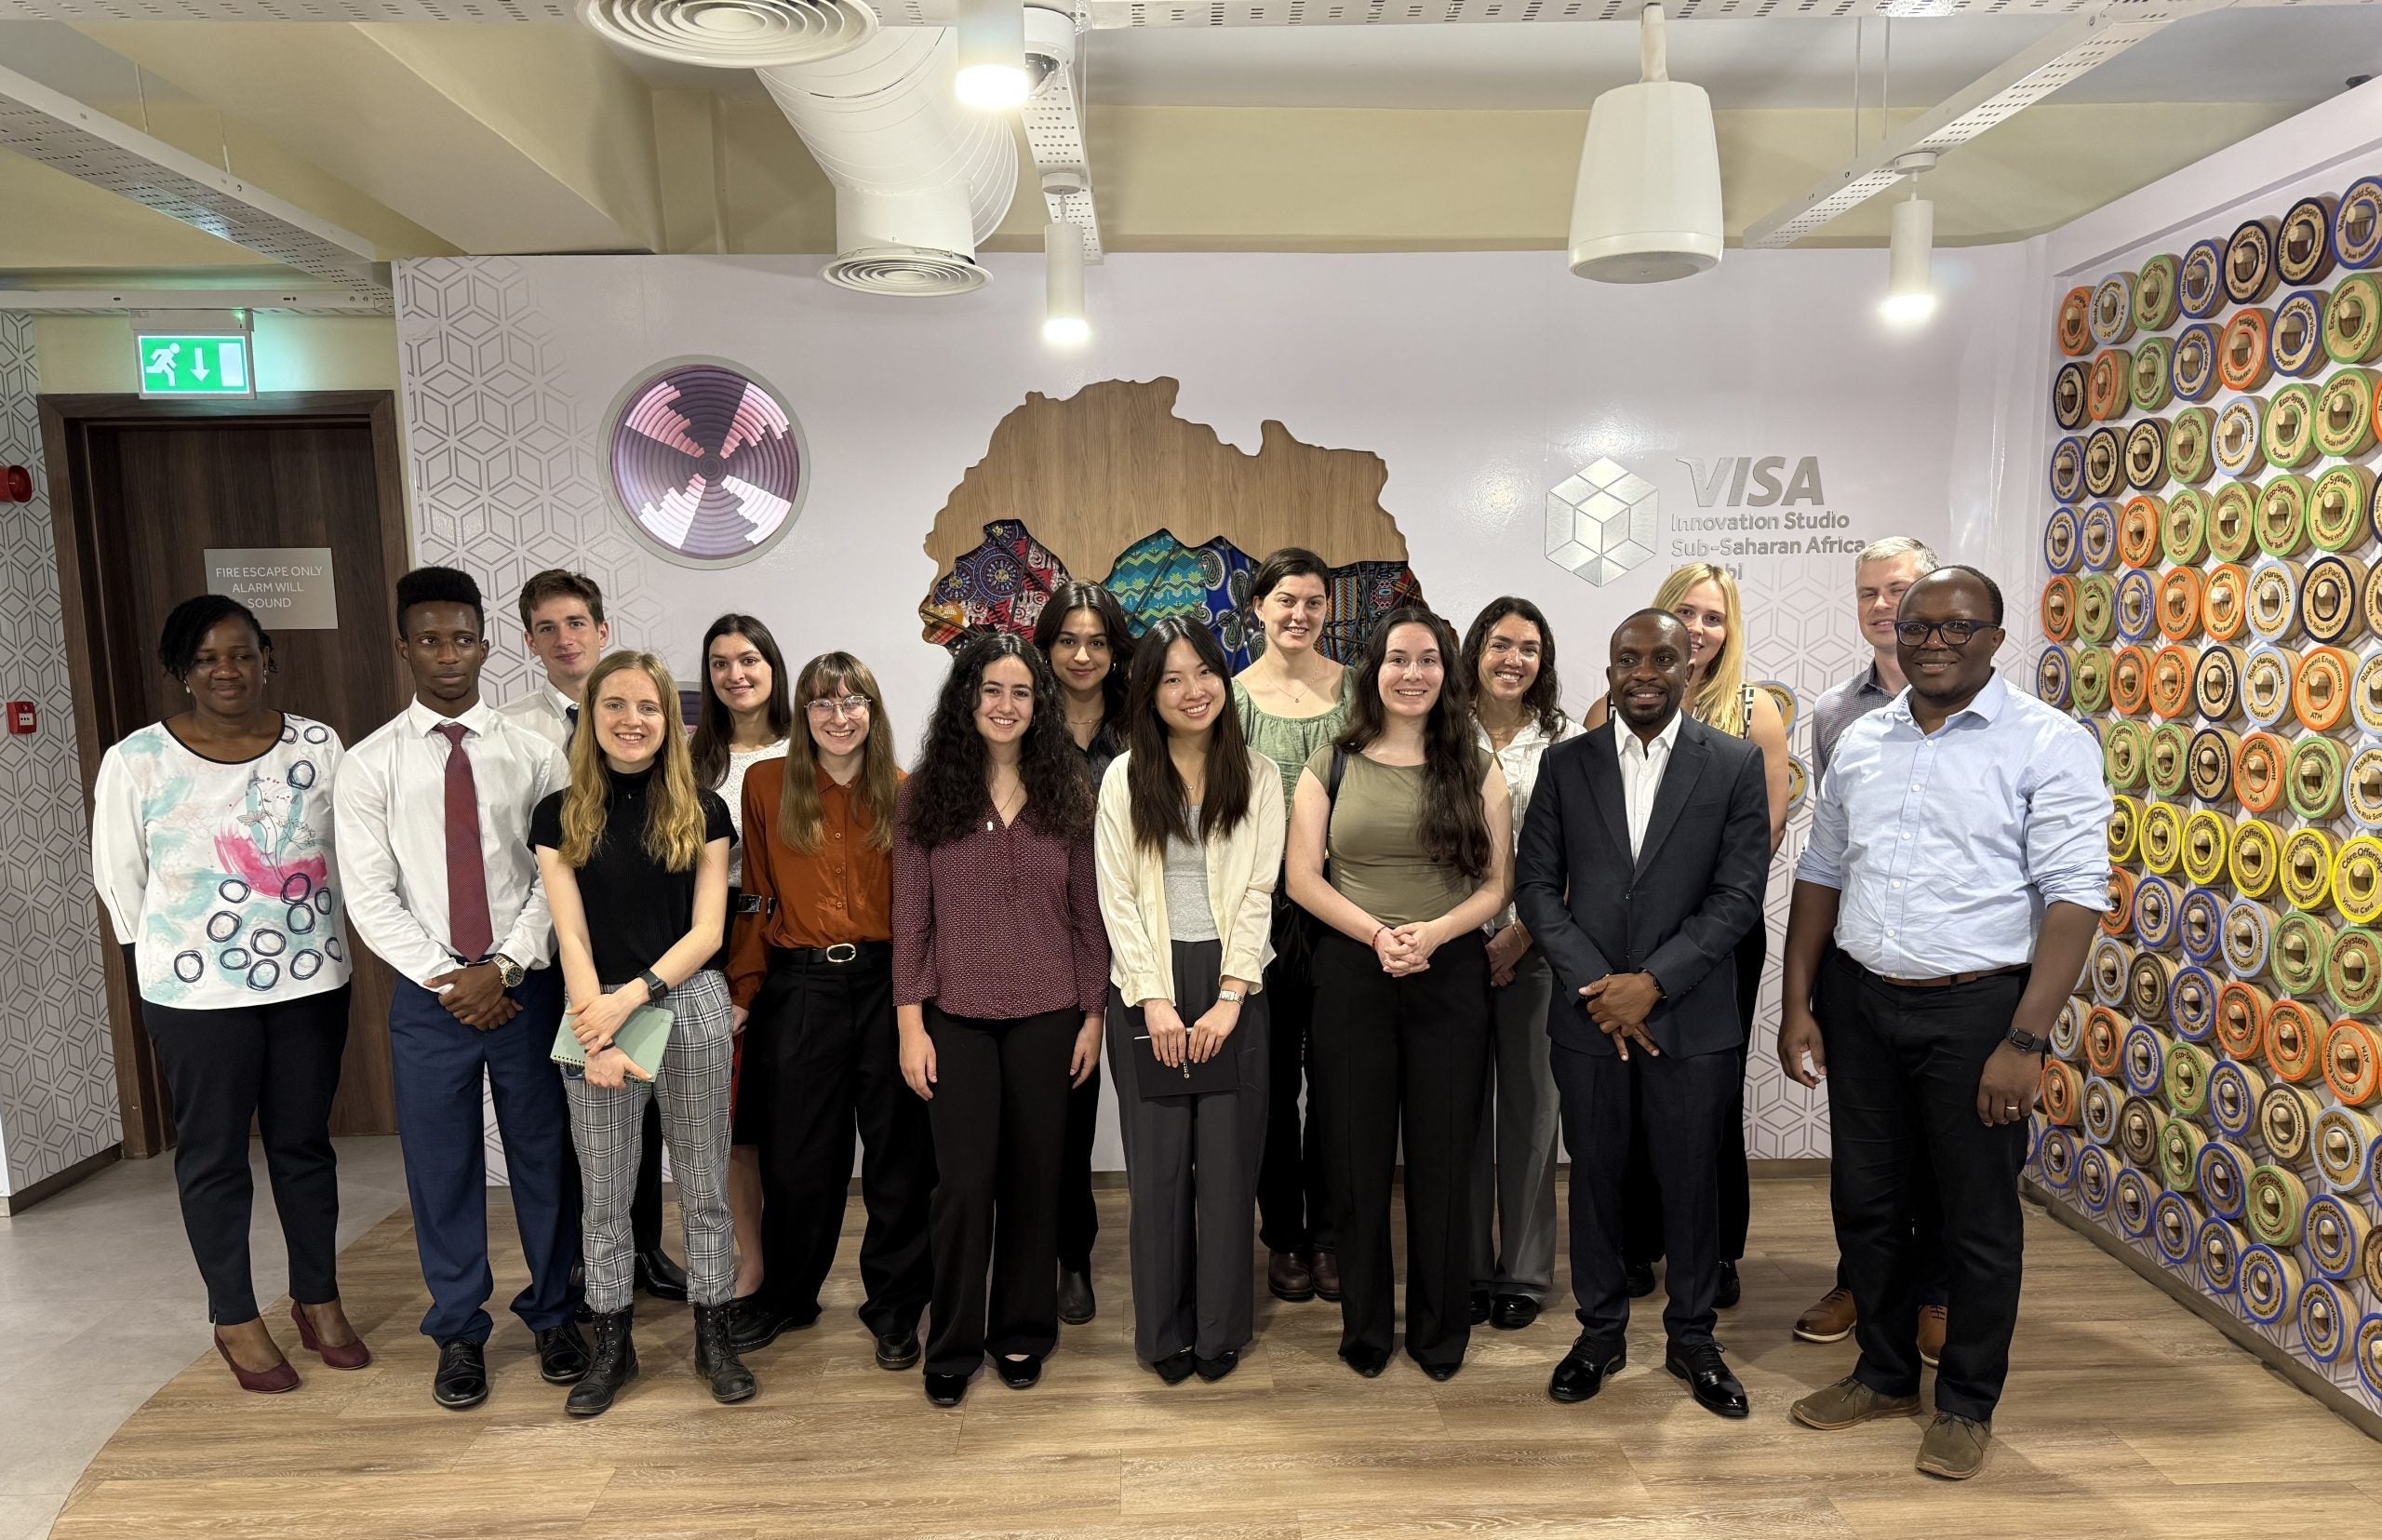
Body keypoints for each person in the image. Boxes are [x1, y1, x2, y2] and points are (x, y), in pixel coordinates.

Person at [1779, 566, 2109, 1481]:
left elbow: (2076, 897)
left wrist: (2024, 1040)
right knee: (1867, 1202)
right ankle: (1883, 1374)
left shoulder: (2047, 742)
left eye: (1956, 626)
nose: (1932, 641)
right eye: (1917, 625)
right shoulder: (1863, 739)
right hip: (1860, 1000)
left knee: (1975, 1217)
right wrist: (1798, 1002)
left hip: (1979, 1011)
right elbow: (1821, 873)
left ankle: (1965, 1401)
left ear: (1994, 638)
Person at [90, 596, 365, 1393]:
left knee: (304, 1144)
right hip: (195, 994)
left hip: (311, 978)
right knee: (213, 1153)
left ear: (267, 657)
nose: (227, 670)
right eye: (208, 657)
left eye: (242, 653)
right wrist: (165, 962)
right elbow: (119, 876)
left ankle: (317, 1295)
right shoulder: (137, 759)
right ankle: (235, 1314)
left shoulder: (317, 744)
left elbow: (351, 849)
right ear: (181, 669)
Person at [336, 566, 588, 1410]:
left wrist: (504, 967)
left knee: (544, 1157)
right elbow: (371, 895)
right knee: (441, 1167)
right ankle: (457, 1329)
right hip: (431, 996)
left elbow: (555, 877)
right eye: (430, 640)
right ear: (403, 647)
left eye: (463, 639)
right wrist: (454, 979)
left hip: (525, 988)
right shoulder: (369, 764)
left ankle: (555, 1313)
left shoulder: (534, 753)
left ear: (485, 646)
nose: (449, 655)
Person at [1518, 610, 1770, 1419]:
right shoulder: (1566, 763)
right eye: (1630, 659)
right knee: (1595, 1179)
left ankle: (1693, 1336)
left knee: (1692, 1181)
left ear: (1690, 668)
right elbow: (1536, 888)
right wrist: (1604, 988)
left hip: (1691, 1018)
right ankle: (1600, 1332)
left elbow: (1739, 895)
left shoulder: (1733, 763)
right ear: (1610, 671)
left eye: (1664, 657)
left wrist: (1653, 984)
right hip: (1589, 1018)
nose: (1646, 673)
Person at [1286, 607, 1510, 1381]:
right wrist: (1378, 936)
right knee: (1356, 1159)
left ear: (1447, 673)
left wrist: (1433, 934)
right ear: (1372, 670)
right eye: (1396, 659)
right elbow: (1302, 878)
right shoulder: (1331, 763)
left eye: (1427, 660)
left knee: (1444, 1161)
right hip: (1353, 973)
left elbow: (1498, 885)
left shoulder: (1476, 765)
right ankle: (1367, 1329)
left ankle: (1441, 1332)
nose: (1412, 674)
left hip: (1449, 974)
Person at [895, 633, 1109, 1407]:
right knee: (961, 1184)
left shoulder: (1068, 792)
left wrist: (1093, 1014)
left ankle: (1023, 1327)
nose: (1006, 704)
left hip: (1050, 1013)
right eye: (991, 689)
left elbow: (1088, 917)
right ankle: (951, 1341)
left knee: (1034, 1178)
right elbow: (911, 918)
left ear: (1039, 704)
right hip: (955, 1014)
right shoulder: (925, 794)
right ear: (967, 696)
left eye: (1021, 691)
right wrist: (910, 1024)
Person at [533, 650, 750, 1416]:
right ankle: (612, 1345)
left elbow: (708, 931)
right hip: (592, 1011)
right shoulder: (558, 814)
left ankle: (713, 1335)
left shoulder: (705, 809)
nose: (632, 720)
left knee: (704, 1186)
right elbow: (570, 934)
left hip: (686, 1003)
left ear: (670, 719)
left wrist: (631, 998)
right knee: (604, 1195)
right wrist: (597, 1033)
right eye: (615, 705)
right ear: (591, 716)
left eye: (649, 707)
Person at [1583, 563, 1788, 1309]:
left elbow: (1765, 834)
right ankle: (1636, 1240)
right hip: (1624, 938)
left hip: (1717, 938)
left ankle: (1715, 1247)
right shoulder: (1605, 710)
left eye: (1713, 616)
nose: (1699, 629)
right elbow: (1595, 838)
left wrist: (1688, 935)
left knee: (1709, 1092)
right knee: (1630, 1080)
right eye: (1687, 612)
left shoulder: (1755, 713)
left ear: (1729, 629)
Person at [728, 652, 936, 1370]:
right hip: (800, 986)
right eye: (823, 702)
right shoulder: (765, 785)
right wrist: (744, 990)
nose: (838, 716)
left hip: (886, 983)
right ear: (803, 712)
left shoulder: (906, 793)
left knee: (899, 1157)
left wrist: (919, 1004)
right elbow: (755, 894)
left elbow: (920, 910)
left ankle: (897, 1305)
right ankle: (788, 1295)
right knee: (797, 1156)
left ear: (872, 711)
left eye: (853, 702)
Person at [1093, 618, 1283, 1385]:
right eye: (1171, 678)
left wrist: (1232, 994)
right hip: (1150, 986)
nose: (1191, 690)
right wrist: (1153, 998)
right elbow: (1116, 896)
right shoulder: (1123, 776)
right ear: (1148, 692)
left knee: (1230, 1168)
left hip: (1235, 985)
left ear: (1222, 678)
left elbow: (1261, 891)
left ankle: (1220, 1328)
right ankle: (1163, 1330)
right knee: (1160, 1169)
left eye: (1203, 672)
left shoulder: (1259, 774)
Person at [496, 569, 682, 1305]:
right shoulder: (512, 729)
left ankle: (643, 1248)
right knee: (575, 1114)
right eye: (547, 627)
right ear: (529, 641)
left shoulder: (648, 720)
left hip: (639, 964)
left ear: (602, 630)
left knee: (644, 1107)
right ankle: (581, 1262)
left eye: (576, 623)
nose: (564, 638)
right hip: (554, 958)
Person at [1791, 537, 1954, 1359]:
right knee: (1865, 1148)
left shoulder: (1989, 709)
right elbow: (1830, 850)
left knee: (1940, 1146)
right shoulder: (1833, 714)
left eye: (1899, 589)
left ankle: (1937, 1292)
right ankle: (1861, 1281)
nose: (1884, 606)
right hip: (1858, 957)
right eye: (1868, 593)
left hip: (1950, 964)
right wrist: (1805, 988)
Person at [1233, 547, 1358, 1307]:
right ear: (1258, 606)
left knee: (1340, 1081)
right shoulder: (1231, 698)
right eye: (1285, 599)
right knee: (1272, 1083)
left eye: (1314, 601)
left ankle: (1333, 1233)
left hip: (1347, 909)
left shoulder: (1359, 692)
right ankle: (1283, 1231)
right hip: (1262, 911)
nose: (1299, 614)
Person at [1461, 597, 1579, 1334]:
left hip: (1538, 953)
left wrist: (1521, 935)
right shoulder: (1439, 730)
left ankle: (1526, 1272)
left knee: (1535, 1112)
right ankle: (1471, 1264)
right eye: (1501, 643)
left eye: (1529, 648)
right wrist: (1472, 935)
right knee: (1464, 1111)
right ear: (1476, 649)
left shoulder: (1567, 741)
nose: (1514, 659)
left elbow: (1583, 853)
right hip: (1454, 950)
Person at [1033, 581, 1135, 1326]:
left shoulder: (1139, 730)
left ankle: (1076, 1251)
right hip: (1044, 941)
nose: (1082, 655)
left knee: (1097, 1105)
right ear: (1045, 646)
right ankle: (1047, 1252)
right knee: (1051, 1112)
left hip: (1130, 936)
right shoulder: (1019, 724)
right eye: (1068, 640)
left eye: (1097, 641)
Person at [689, 614, 794, 1321]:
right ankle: (749, 1259)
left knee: (784, 1112)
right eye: (721, 663)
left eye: (749, 659)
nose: (736, 674)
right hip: (713, 934)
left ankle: (792, 1260)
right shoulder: (691, 759)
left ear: (773, 667)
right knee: (732, 1119)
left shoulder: (805, 746)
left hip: (788, 934)